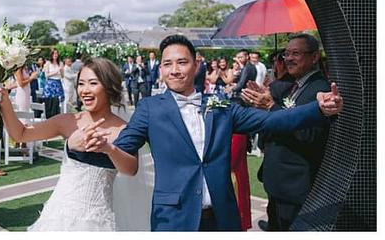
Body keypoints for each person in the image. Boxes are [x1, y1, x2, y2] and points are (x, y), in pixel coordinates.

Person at [92, 35, 343, 231]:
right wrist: (99, 146)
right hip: (174, 220)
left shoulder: (220, 105)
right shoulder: (149, 108)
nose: (174, 70)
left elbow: (273, 121)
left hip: (223, 217)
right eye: (167, 64)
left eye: (182, 62)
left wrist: (319, 109)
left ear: (196, 65)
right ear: (161, 70)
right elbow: (123, 151)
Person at [0, 57, 130, 230]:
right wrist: (5, 103)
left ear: (108, 86)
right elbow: (20, 134)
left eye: (93, 83)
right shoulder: (67, 121)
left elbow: (131, 169)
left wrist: (109, 149)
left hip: (99, 221)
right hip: (59, 217)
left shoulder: (122, 129)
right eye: (81, 84)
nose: (85, 90)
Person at [241, 34, 331, 231]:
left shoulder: (320, 90)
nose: (288, 58)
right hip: (279, 184)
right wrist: (264, 103)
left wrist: (271, 106)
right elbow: (282, 117)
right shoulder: (295, 86)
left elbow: (309, 134)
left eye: (296, 53)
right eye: (286, 53)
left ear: (314, 57)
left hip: (295, 185)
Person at [43, 49, 65, 117]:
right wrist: (56, 71)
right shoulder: (48, 63)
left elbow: (62, 76)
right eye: (54, 54)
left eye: (56, 53)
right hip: (50, 83)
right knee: (49, 102)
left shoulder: (60, 63)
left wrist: (61, 70)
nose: (55, 55)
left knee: (56, 102)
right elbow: (46, 75)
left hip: (58, 83)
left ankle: (56, 117)